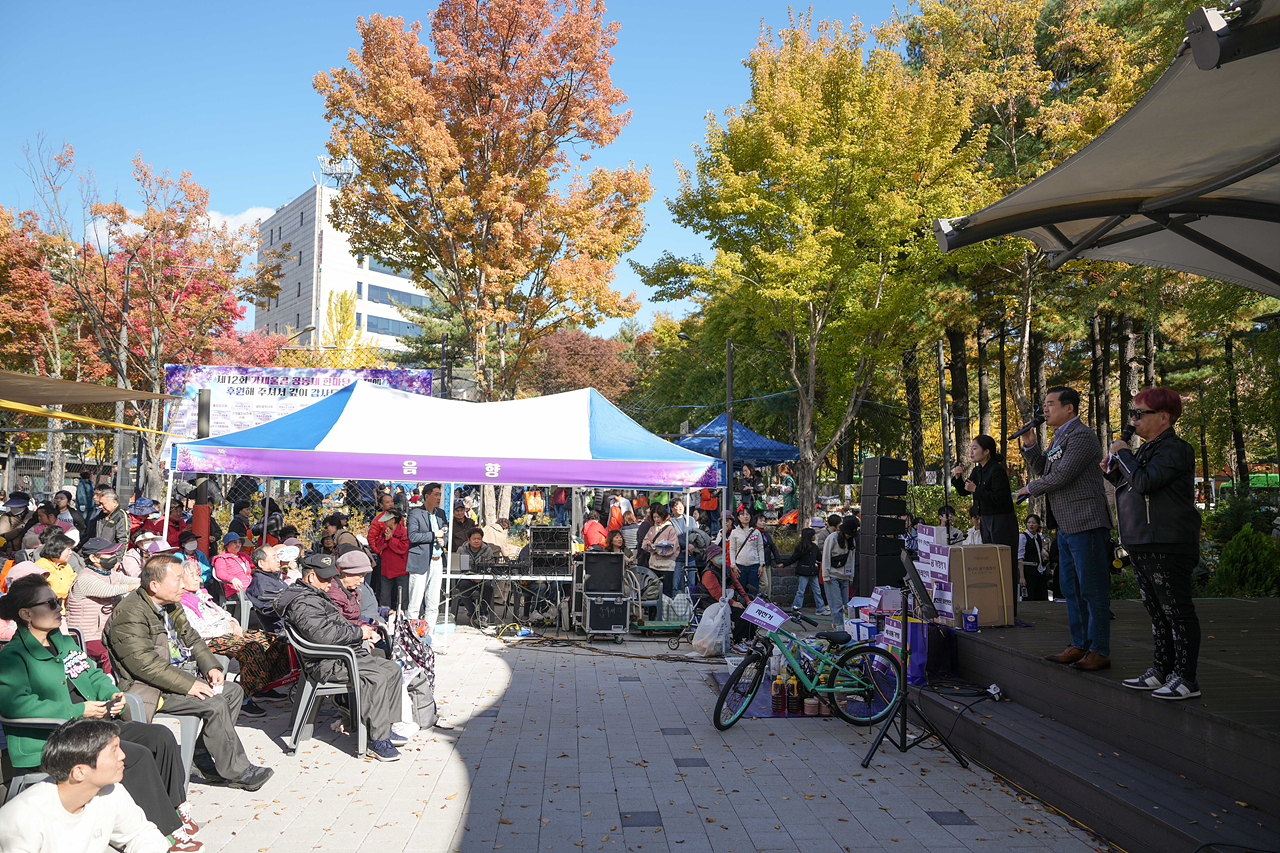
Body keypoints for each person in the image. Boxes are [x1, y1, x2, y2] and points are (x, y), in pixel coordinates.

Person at [0, 578, 197, 851]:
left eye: (59, 602)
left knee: (160, 736)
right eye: (51, 604)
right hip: (56, 740)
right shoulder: (13, 656)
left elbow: (91, 673)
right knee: (135, 755)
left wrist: (111, 693)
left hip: (91, 725)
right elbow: (15, 705)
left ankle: (175, 808)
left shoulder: (63, 642)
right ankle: (164, 832)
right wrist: (76, 710)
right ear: (26, 614)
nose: (61, 609)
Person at [102, 554, 273, 791]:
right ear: (154, 585)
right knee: (213, 703)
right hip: (147, 687)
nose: (184, 585)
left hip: (175, 675)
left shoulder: (169, 605)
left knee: (232, 691)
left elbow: (192, 638)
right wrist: (189, 685)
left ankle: (198, 755)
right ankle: (238, 771)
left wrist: (211, 666)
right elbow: (144, 665)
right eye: (178, 579)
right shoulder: (130, 614)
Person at [1104, 387, 1203, 700]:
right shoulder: (1147, 450)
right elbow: (1130, 484)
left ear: (1164, 417)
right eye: (1132, 413)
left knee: (1177, 611)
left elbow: (1146, 482)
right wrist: (1112, 469)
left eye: (1139, 414)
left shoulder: (1175, 449)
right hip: (1142, 540)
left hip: (1168, 541)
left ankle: (1186, 677)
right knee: (1157, 611)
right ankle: (1162, 669)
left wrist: (1122, 453)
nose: (1133, 420)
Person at [275, 553, 407, 762]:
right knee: (377, 676)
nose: (331, 583)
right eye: (326, 578)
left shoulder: (314, 594)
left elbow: (336, 624)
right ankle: (377, 740)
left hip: (342, 654)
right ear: (311, 577)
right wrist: (359, 633)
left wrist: (361, 628)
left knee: (392, 669)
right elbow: (324, 636)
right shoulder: (303, 602)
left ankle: (383, 729)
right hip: (327, 661)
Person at [1017, 386, 1113, 670]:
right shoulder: (1060, 436)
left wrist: (1029, 488)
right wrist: (1030, 444)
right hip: (1066, 525)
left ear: (1069, 408)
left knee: (1092, 588)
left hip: (1087, 521)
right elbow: (1045, 469)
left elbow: (1062, 476)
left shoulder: (1082, 436)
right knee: (1070, 588)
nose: (1044, 410)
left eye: (1050, 404)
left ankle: (1099, 649)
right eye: (1044, 404)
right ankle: (1080, 644)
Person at [0, 718, 175, 853]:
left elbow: (143, 834)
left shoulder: (110, 792)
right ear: (79, 772)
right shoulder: (22, 818)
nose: (122, 755)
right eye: (113, 750)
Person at [177, 562, 290, 718]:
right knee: (252, 648)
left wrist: (232, 623)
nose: (198, 578)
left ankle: (262, 686)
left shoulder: (201, 595)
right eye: (193, 575)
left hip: (228, 632)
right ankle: (244, 699)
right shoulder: (180, 601)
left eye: (197, 574)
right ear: (180, 580)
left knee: (274, 640)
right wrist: (228, 629)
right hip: (210, 640)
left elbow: (224, 613)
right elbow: (198, 630)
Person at [65, 539, 140, 673]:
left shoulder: (110, 573)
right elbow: (109, 590)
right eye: (109, 554)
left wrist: (147, 581)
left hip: (104, 632)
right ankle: (109, 685)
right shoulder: (85, 578)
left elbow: (131, 580)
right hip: (85, 635)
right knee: (109, 653)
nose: (114, 557)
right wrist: (134, 586)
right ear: (94, 558)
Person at [953, 432, 1019, 556]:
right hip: (985, 519)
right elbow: (964, 491)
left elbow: (999, 498)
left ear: (986, 451)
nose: (971, 452)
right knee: (990, 557)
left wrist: (976, 489)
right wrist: (958, 478)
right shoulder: (977, 470)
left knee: (1003, 559)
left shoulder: (997, 470)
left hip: (1001, 520)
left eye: (975, 448)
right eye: (970, 449)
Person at [406, 483, 449, 624]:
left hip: (437, 561)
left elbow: (446, 532)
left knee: (433, 603)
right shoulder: (415, 514)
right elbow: (412, 536)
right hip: (420, 562)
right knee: (415, 603)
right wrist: (433, 535)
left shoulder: (441, 514)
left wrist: (444, 540)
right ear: (427, 496)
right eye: (436, 494)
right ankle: (412, 637)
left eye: (440, 495)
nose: (439, 498)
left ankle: (429, 635)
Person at [700, 562, 754, 653]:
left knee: (751, 610)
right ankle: (737, 642)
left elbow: (738, 585)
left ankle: (749, 638)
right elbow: (717, 593)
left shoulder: (726, 569)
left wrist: (747, 599)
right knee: (740, 613)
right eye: (718, 555)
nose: (721, 556)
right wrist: (732, 603)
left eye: (721, 554)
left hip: (728, 599)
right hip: (714, 602)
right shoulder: (709, 573)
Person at [369, 498, 410, 609]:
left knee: (402, 597)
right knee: (384, 596)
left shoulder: (404, 532)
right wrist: (384, 542)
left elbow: (402, 548)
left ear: (393, 520)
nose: (384, 522)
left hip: (401, 570)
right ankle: (385, 616)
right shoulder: (384, 531)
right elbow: (376, 544)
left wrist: (391, 539)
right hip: (386, 570)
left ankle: (403, 617)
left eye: (387, 520)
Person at [454, 528, 495, 624]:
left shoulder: (487, 550)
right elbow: (457, 567)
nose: (476, 541)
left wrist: (480, 577)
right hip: (466, 578)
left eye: (479, 539)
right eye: (474, 539)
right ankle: (472, 613)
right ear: (468, 540)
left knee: (488, 587)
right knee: (463, 587)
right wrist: (471, 576)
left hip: (482, 578)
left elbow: (491, 567)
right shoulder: (461, 549)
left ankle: (483, 614)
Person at [783, 528, 827, 616]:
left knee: (809, 591)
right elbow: (819, 558)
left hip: (809, 572)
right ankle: (817, 608)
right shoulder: (809, 547)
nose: (815, 536)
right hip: (810, 572)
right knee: (806, 591)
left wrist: (783, 564)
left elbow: (793, 558)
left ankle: (817, 608)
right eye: (813, 535)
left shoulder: (804, 547)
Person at [246, 544, 289, 632]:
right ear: (261, 563)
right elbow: (270, 608)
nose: (278, 560)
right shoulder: (261, 583)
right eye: (274, 557)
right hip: (283, 632)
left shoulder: (272, 578)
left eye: (278, 557)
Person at [822, 517, 856, 627]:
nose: (849, 536)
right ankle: (838, 627)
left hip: (845, 576)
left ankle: (845, 627)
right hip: (832, 576)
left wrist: (851, 577)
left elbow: (852, 558)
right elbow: (826, 557)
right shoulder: (832, 538)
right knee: (836, 605)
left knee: (845, 605)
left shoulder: (851, 541)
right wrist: (825, 575)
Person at [641, 503, 680, 597]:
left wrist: (657, 549)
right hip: (653, 564)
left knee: (666, 592)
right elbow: (644, 543)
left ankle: (665, 611)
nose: (656, 519)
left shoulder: (671, 529)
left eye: (658, 517)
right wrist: (649, 546)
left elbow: (673, 547)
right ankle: (653, 612)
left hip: (667, 566)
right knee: (652, 591)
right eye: (654, 517)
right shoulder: (652, 529)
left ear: (663, 516)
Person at [35, 532, 79, 600]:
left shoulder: (66, 565)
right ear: (58, 550)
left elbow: (76, 582)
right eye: (68, 549)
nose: (71, 552)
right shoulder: (42, 566)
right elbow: (56, 591)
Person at [212, 532, 253, 599]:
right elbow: (220, 573)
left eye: (239, 542)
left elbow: (254, 566)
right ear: (227, 545)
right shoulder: (221, 558)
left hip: (250, 588)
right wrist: (232, 579)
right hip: (235, 590)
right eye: (234, 542)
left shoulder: (243, 556)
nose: (238, 544)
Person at [1018, 515, 1050, 601]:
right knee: (1030, 597)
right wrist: (1022, 576)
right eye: (1029, 523)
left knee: (1042, 596)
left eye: (1034, 523)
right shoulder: (1023, 537)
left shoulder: (1039, 537)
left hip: (1039, 571)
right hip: (1029, 572)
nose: (1031, 525)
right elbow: (1020, 558)